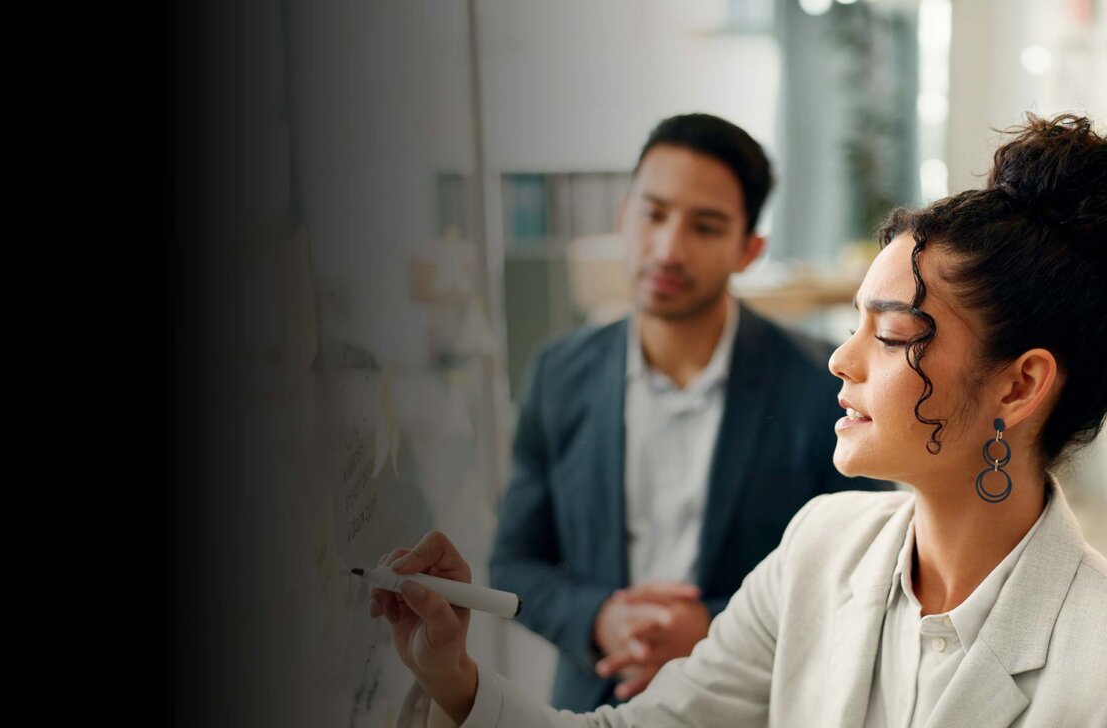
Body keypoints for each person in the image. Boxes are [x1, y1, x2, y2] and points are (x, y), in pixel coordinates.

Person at [373, 112, 1107, 727]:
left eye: (889, 335)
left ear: (1019, 387)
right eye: (853, 325)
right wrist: (456, 678)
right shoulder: (820, 548)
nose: (841, 361)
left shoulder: (1093, 654)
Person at [490, 112, 890, 710]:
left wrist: (714, 630)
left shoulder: (822, 385)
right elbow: (515, 562)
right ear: (625, 218)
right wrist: (602, 618)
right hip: (595, 702)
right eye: (653, 215)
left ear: (749, 249)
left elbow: (865, 573)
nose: (668, 249)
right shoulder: (559, 374)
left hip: (751, 706)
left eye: (704, 227)